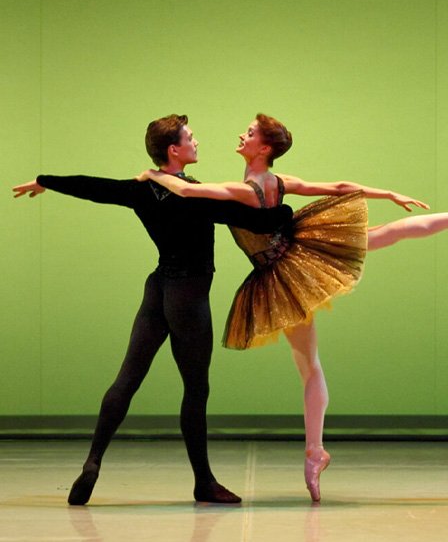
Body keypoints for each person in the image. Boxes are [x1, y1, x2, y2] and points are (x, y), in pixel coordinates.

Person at [137, 113, 448, 502]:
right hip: (297, 254)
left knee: (310, 365)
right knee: (384, 236)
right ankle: (314, 451)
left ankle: (316, 451)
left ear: (264, 148)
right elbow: (339, 187)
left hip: (282, 273)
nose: (242, 134)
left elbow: (185, 191)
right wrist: (387, 194)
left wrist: (152, 175)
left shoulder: (245, 190)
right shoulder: (279, 182)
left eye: (250, 133)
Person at [12, 114, 293, 506]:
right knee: (196, 389)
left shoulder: (141, 189)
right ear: (174, 150)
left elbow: (94, 187)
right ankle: (204, 482)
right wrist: (286, 213)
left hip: (158, 289)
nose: (196, 142)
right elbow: (256, 220)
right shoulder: (197, 195)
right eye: (190, 138)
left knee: (127, 379)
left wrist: (45, 181)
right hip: (188, 295)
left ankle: (93, 461)